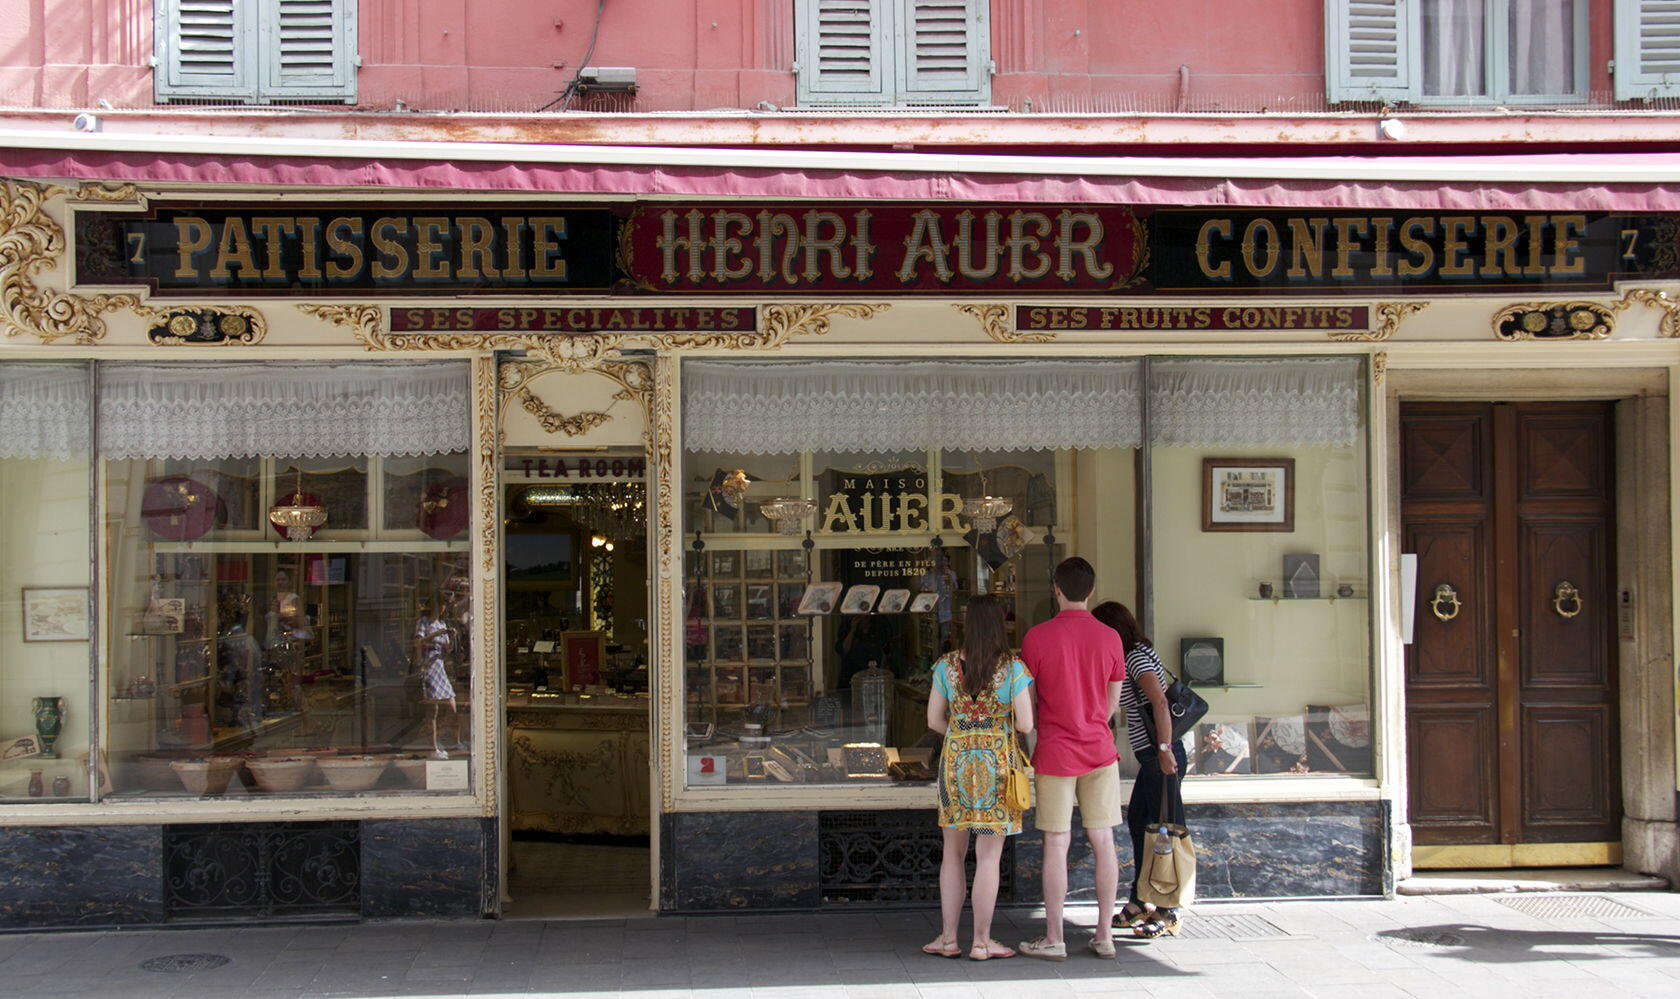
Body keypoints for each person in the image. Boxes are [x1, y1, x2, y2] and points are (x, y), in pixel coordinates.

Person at [1017, 556, 1127, 960]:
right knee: (1103, 841)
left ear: (1056, 589)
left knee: (1056, 844)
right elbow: (1113, 705)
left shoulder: (1037, 638)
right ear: (1091, 591)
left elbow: (1027, 706)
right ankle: (1104, 934)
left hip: (1055, 751)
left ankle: (1054, 936)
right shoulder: (1111, 638)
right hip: (1100, 750)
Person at [921, 594, 1034, 962]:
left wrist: (961, 732)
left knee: (952, 854)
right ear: (1001, 625)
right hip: (997, 763)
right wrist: (996, 728)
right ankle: (982, 942)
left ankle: (949, 938)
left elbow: (933, 720)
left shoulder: (946, 665)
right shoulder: (1013, 669)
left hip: (954, 763)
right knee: (988, 857)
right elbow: (1028, 723)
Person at [1093, 600, 1188, 939]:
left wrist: (1163, 749)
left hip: (1161, 754)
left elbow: (1159, 701)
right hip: (1153, 755)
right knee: (1142, 824)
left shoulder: (1134, 657)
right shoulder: (1135, 654)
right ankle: (1142, 898)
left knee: (1166, 830)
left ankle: (1169, 909)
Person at [414, 594, 457, 759]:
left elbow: (447, 649)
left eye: (444, 605)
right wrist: (438, 633)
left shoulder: (442, 623)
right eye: (439, 605)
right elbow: (418, 642)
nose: (442, 608)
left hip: (440, 666)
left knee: (451, 706)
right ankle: (433, 747)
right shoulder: (423, 622)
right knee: (432, 710)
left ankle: (446, 739)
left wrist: (450, 639)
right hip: (428, 667)